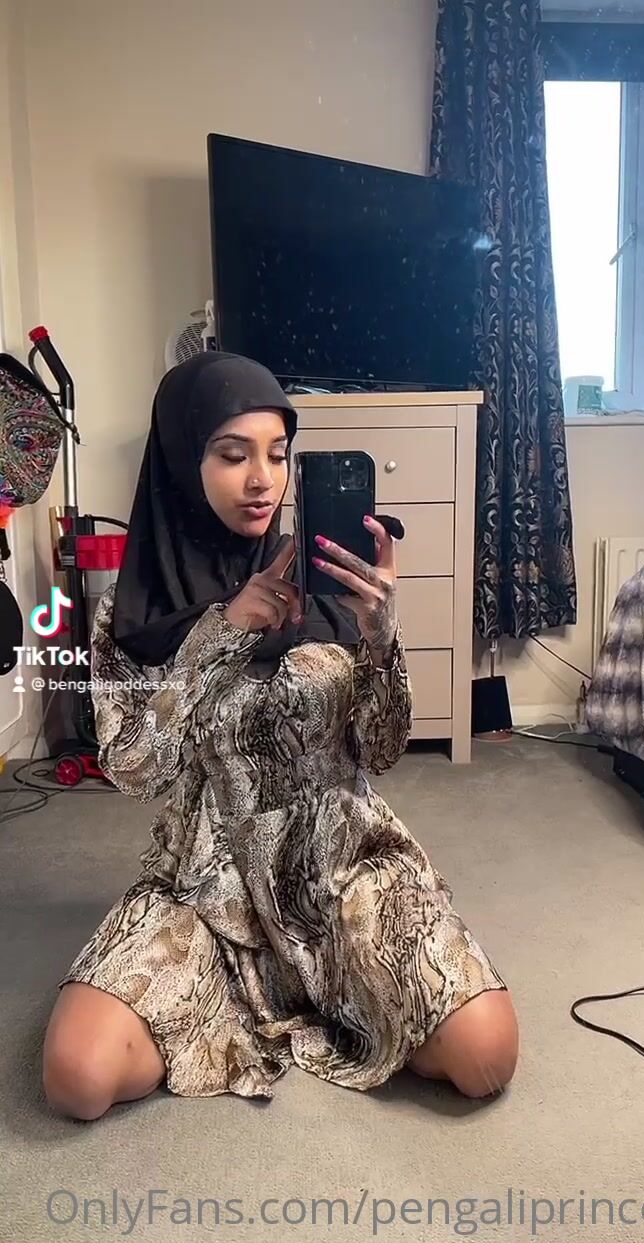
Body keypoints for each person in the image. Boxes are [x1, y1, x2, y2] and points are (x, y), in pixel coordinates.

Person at [42, 352, 518, 1120]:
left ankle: (335, 988)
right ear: (182, 461)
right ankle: (267, 997)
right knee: (78, 1077)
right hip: (210, 889)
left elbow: (383, 749)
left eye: (277, 454)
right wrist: (218, 633)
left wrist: (380, 638)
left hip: (340, 869)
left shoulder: (323, 580)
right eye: (233, 456)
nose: (262, 479)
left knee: (485, 1054)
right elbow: (135, 768)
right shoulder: (138, 612)